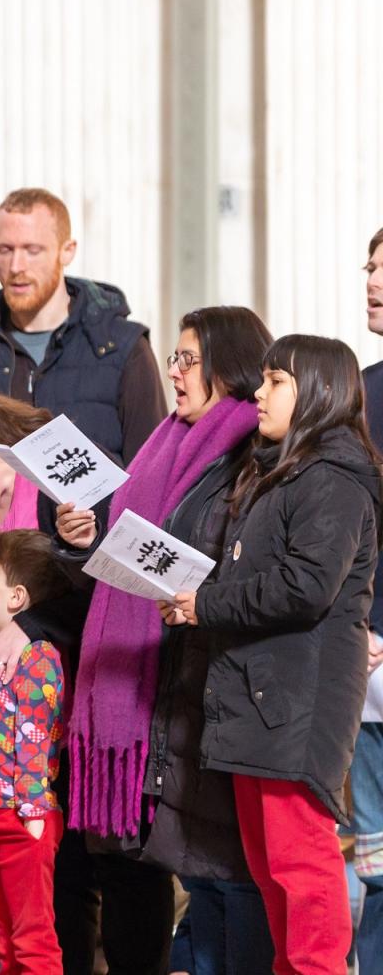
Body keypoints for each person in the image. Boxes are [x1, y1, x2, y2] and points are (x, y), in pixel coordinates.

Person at [159, 334, 382, 975]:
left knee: (302, 877)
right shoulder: (275, 473)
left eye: (276, 381)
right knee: (271, 876)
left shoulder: (333, 480)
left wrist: (205, 604)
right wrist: (193, 598)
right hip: (258, 701)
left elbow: (304, 588)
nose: (259, 392)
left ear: (316, 393)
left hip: (297, 707)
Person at [66, 306, 275, 975]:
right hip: (151, 676)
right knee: (145, 858)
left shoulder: (249, 452)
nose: (176, 374)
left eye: (188, 360)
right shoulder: (163, 442)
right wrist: (89, 543)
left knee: (219, 871)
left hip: (203, 676)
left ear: (228, 366)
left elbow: (243, 562)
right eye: (175, 360)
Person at [0, 187, 166, 464]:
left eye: (32, 250)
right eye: (5, 250)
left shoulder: (122, 349)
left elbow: (152, 475)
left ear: (67, 251)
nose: (17, 265)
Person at [0, 530, 73, 974]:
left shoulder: (38, 655)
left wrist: (33, 808)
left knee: (32, 936)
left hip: (23, 816)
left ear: (17, 596)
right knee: (5, 935)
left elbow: (36, 735)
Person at [356, 227, 383, 975]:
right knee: (375, 862)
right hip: (361, 657)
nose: (374, 282)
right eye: (372, 270)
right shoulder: (361, 391)